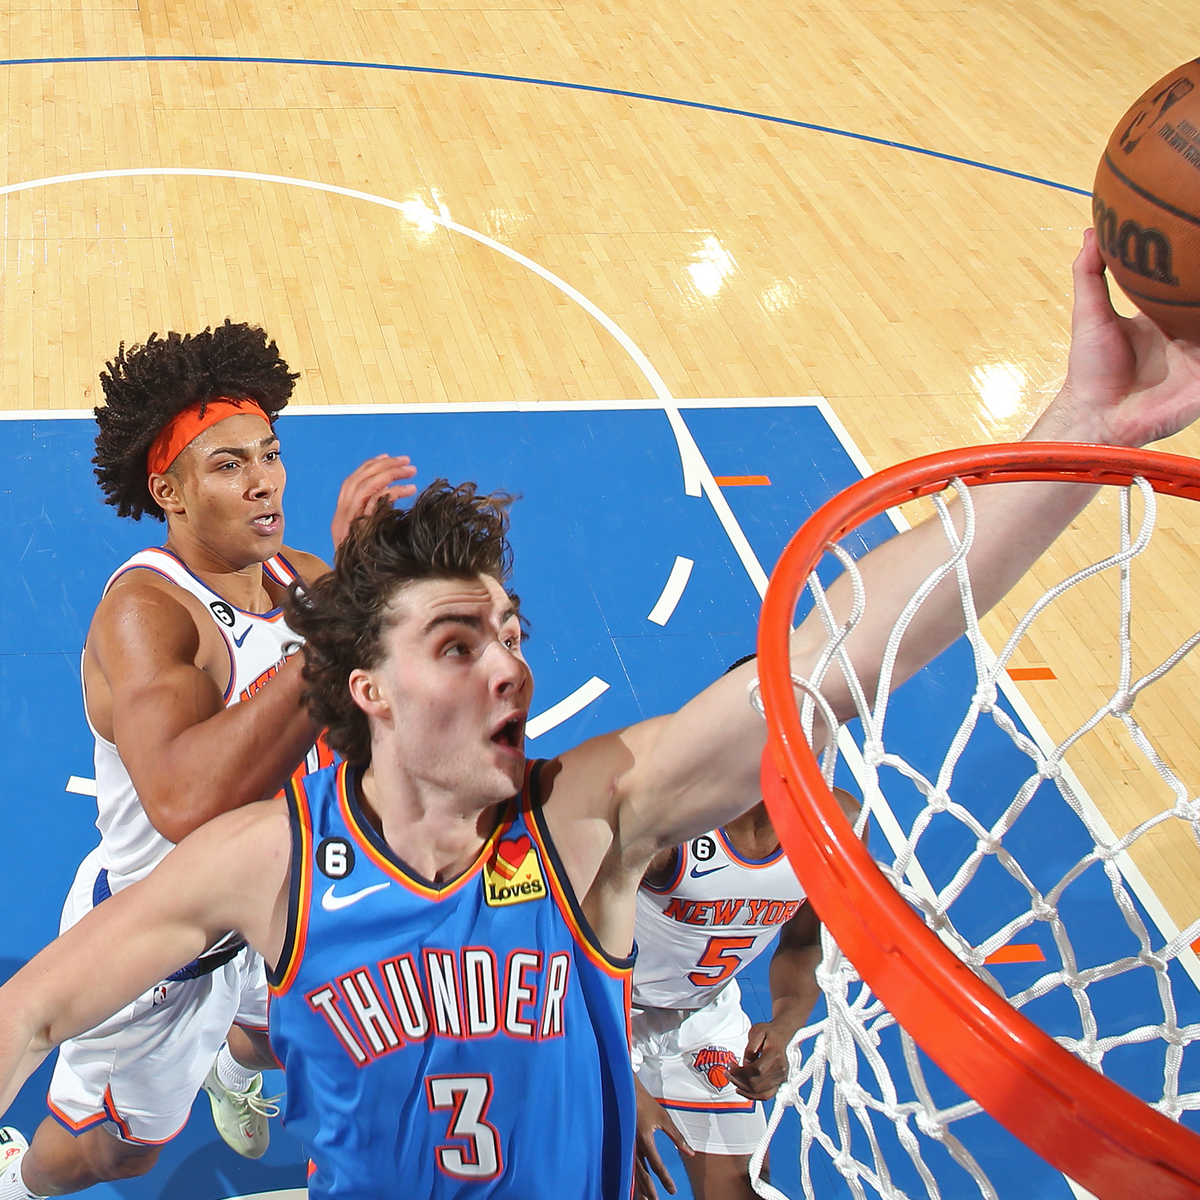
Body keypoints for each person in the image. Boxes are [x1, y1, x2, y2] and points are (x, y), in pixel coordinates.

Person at [1, 231, 1199, 1199]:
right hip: (193, 952)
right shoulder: (271, 859)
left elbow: (830, 659)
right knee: (121, 1136)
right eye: (458, 645)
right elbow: (37, 1002)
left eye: (511, 635)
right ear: (363, 691)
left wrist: (1072, 439)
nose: (508, 669)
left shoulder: (581, 823)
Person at [0, 320, 417, 1198]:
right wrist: (337, 634)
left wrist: (375, 599)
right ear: (172, 490)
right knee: (119, 1154)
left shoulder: (300, 579)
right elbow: (184, 802)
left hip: (274, 910)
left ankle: (236, 1066)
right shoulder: (149, 615)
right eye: (228, 465)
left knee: (273, 1037)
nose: (264, 481)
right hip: (164, 948)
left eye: (268, 453)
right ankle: (20, 1178)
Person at [630, 779, 857, 1200]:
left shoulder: (836, 824)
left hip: (704, 1011)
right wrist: (619, 1083)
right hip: (597, 1010)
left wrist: (783, 1027)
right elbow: (566, 941)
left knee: (743, 1190)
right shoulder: (672, 818)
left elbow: (804, 942)